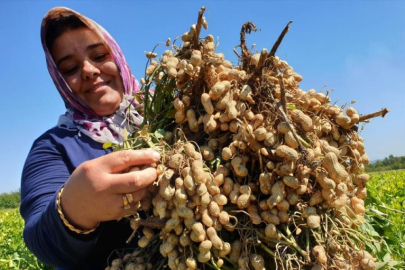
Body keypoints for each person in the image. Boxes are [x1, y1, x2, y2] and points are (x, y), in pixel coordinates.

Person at [20, 7, 159, 269]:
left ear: (118, 57)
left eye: (99, 55)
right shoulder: (52, 147)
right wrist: (74, 209)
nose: (88, 70)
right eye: (70, 68)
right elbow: (40, 239)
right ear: (60, 81)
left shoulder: (172, 111)